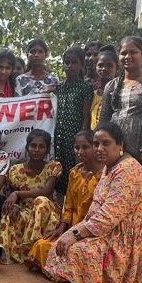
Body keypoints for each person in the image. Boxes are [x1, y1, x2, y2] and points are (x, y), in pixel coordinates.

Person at [44, 123, 142, 283]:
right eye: (96, 144)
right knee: (59, 245)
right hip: (106, 229)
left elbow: (108, 216)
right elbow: (97, 210)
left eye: (106, 143)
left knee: (78, 251)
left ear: (120, 146)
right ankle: (83, 282)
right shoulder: (109, 167)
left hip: (127, 238)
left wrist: (76, 234)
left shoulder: (128, 170)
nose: (99, 149)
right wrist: (72, 232)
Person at [26, 130, 103, 269]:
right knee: (42, 245)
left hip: (93, 231)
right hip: (73, 227)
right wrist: (62, 228)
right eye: (77, 147)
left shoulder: (104, 175)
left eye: (85, 147)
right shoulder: (75, 173)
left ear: (95, 147)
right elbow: (69, 206)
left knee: (74, 253)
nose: (80, 151)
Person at [0, 129, 61, 263]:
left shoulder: (52, 167)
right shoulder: (16, 170)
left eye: (41, 146)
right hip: (26, 210)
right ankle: (7, 254)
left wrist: (18, 193)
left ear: (47, 149)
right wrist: (15, 204)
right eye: (33, 145)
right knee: (9, 213)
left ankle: (33, 248)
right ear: (27, 147)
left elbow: (46, 192)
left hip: (47, 212)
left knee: (40, 201)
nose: (36, 150)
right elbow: (14, 196)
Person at [99, 36, 142, 167]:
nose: (128, 56)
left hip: (139, 146)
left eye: (133, 52)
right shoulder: (112, 85)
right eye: (123, 53)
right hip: (113, 146)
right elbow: (104, 119)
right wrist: (101, 145)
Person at [53, 46, 93, 193]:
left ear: (82, 64)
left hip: (74, 137)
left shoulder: (85, 88)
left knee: (74, 171)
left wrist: (81, 139)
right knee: (58, 170)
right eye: (67, 62)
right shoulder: (58, 88)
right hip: (59, 137)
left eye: (74, 62)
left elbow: (86, 115)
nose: (69, 66)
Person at [90, 48, 118, 130]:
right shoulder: (92, 93)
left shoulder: (119, 92)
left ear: (117, 68)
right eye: (100, 65)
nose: (104, 69)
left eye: (109, 65)